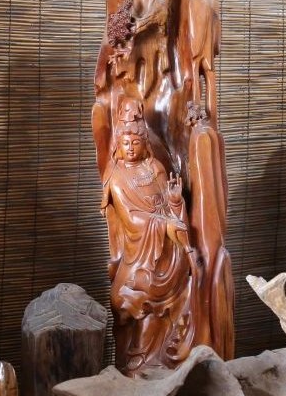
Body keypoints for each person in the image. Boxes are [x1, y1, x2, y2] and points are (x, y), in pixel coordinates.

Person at [101, 101, 197, 374]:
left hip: (170, 251)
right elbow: (131, 219)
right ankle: (139, 355)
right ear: (118, 145)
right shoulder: (117, 177)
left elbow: (172, 209)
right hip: (141, 252)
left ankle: (161, 356)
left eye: (136, 142)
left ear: (145, 144)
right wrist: (162, 225)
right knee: (126, 299)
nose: (131, 148)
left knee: (175, 289)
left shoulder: (155, 168)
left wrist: (176, 202)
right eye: (125, 143)